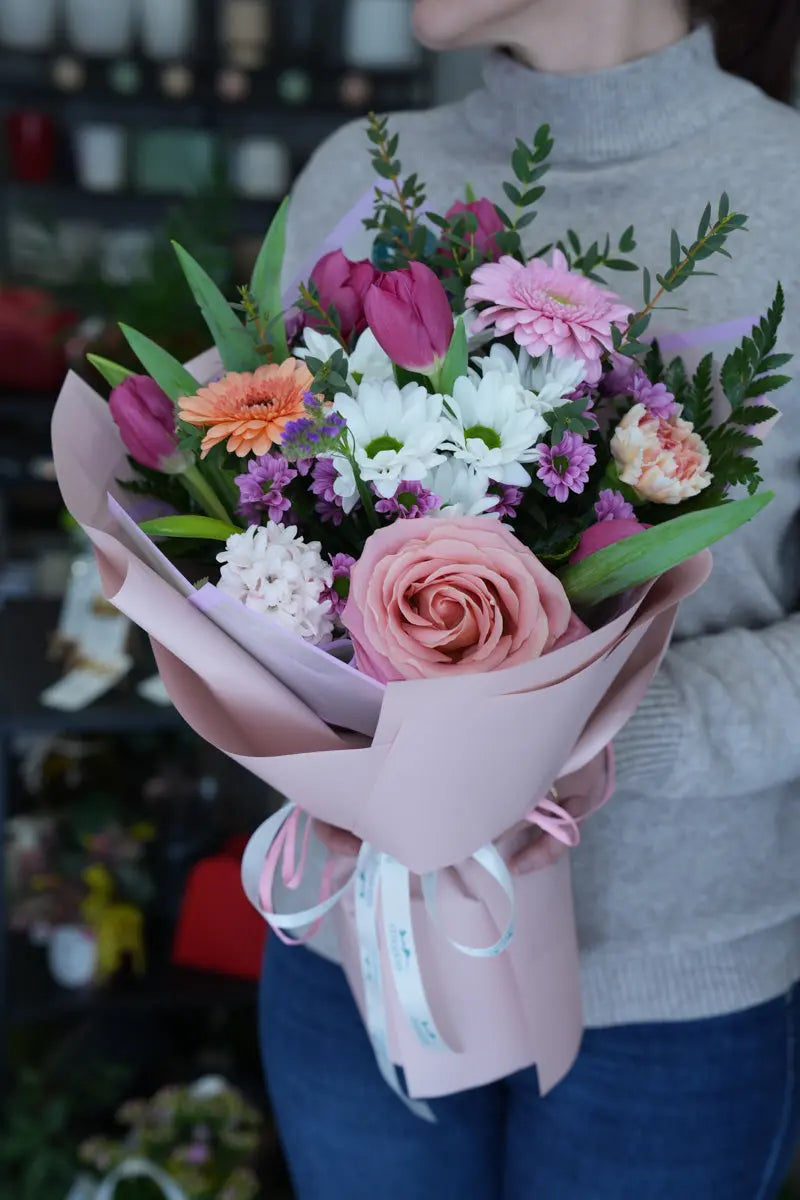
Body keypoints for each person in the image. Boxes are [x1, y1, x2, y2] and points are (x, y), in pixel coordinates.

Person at [259, 2, 800, 1196]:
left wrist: (594, 727)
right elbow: (253, 528)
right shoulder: (357, 177)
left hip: (671, 994)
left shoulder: (784, 191)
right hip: (360, 948)